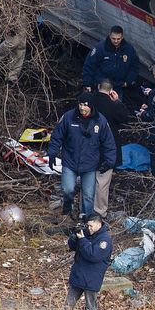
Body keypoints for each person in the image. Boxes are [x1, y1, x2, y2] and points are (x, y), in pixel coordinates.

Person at [47, 93, 117, 224]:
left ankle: (85, 220)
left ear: (91, 106)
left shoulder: (100, 121)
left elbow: (109, 144)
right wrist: (52, 153)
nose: (82, 107)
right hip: (70, 161)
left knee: (88, 196)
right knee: (68, 189)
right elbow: (57, 136)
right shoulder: (68, 117)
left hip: (89, 164)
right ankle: (68, 211)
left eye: (85, 105)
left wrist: (109, 162)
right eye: (80, 104)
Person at [91, 78, 133, 218]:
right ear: (111, 91)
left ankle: (85, 210)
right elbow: (126, 118)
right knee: (102, 183)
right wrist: (117, 101)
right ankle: (100, 212)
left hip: (89, 147)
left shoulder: (88, 102)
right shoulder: (113, 105)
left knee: (87, 179)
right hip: (107, 149)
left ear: (98, 86)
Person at [65, 213, 113, 310]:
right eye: (88, 226)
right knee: (68, 305)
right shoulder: (86, 233)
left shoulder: (105, 240)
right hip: (79, 275)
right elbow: (72, 246)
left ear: (99, 224)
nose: (89, 228)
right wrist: (74, 237)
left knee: (90, 308)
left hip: (92, 278)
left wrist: (82, 240)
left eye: (91, 226)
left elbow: (93, 255)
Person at [81, 26, 138, 93]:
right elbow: (89, 65)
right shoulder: (101, 48)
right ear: (110, 36)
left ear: (122, 37)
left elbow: (134, 66)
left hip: (118, 86)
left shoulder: (129, 50)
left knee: (116, 103)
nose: (116, 41)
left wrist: (128, 81)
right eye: (113, 38)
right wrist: (87, 84)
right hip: (101, 86)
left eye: (118, 39)